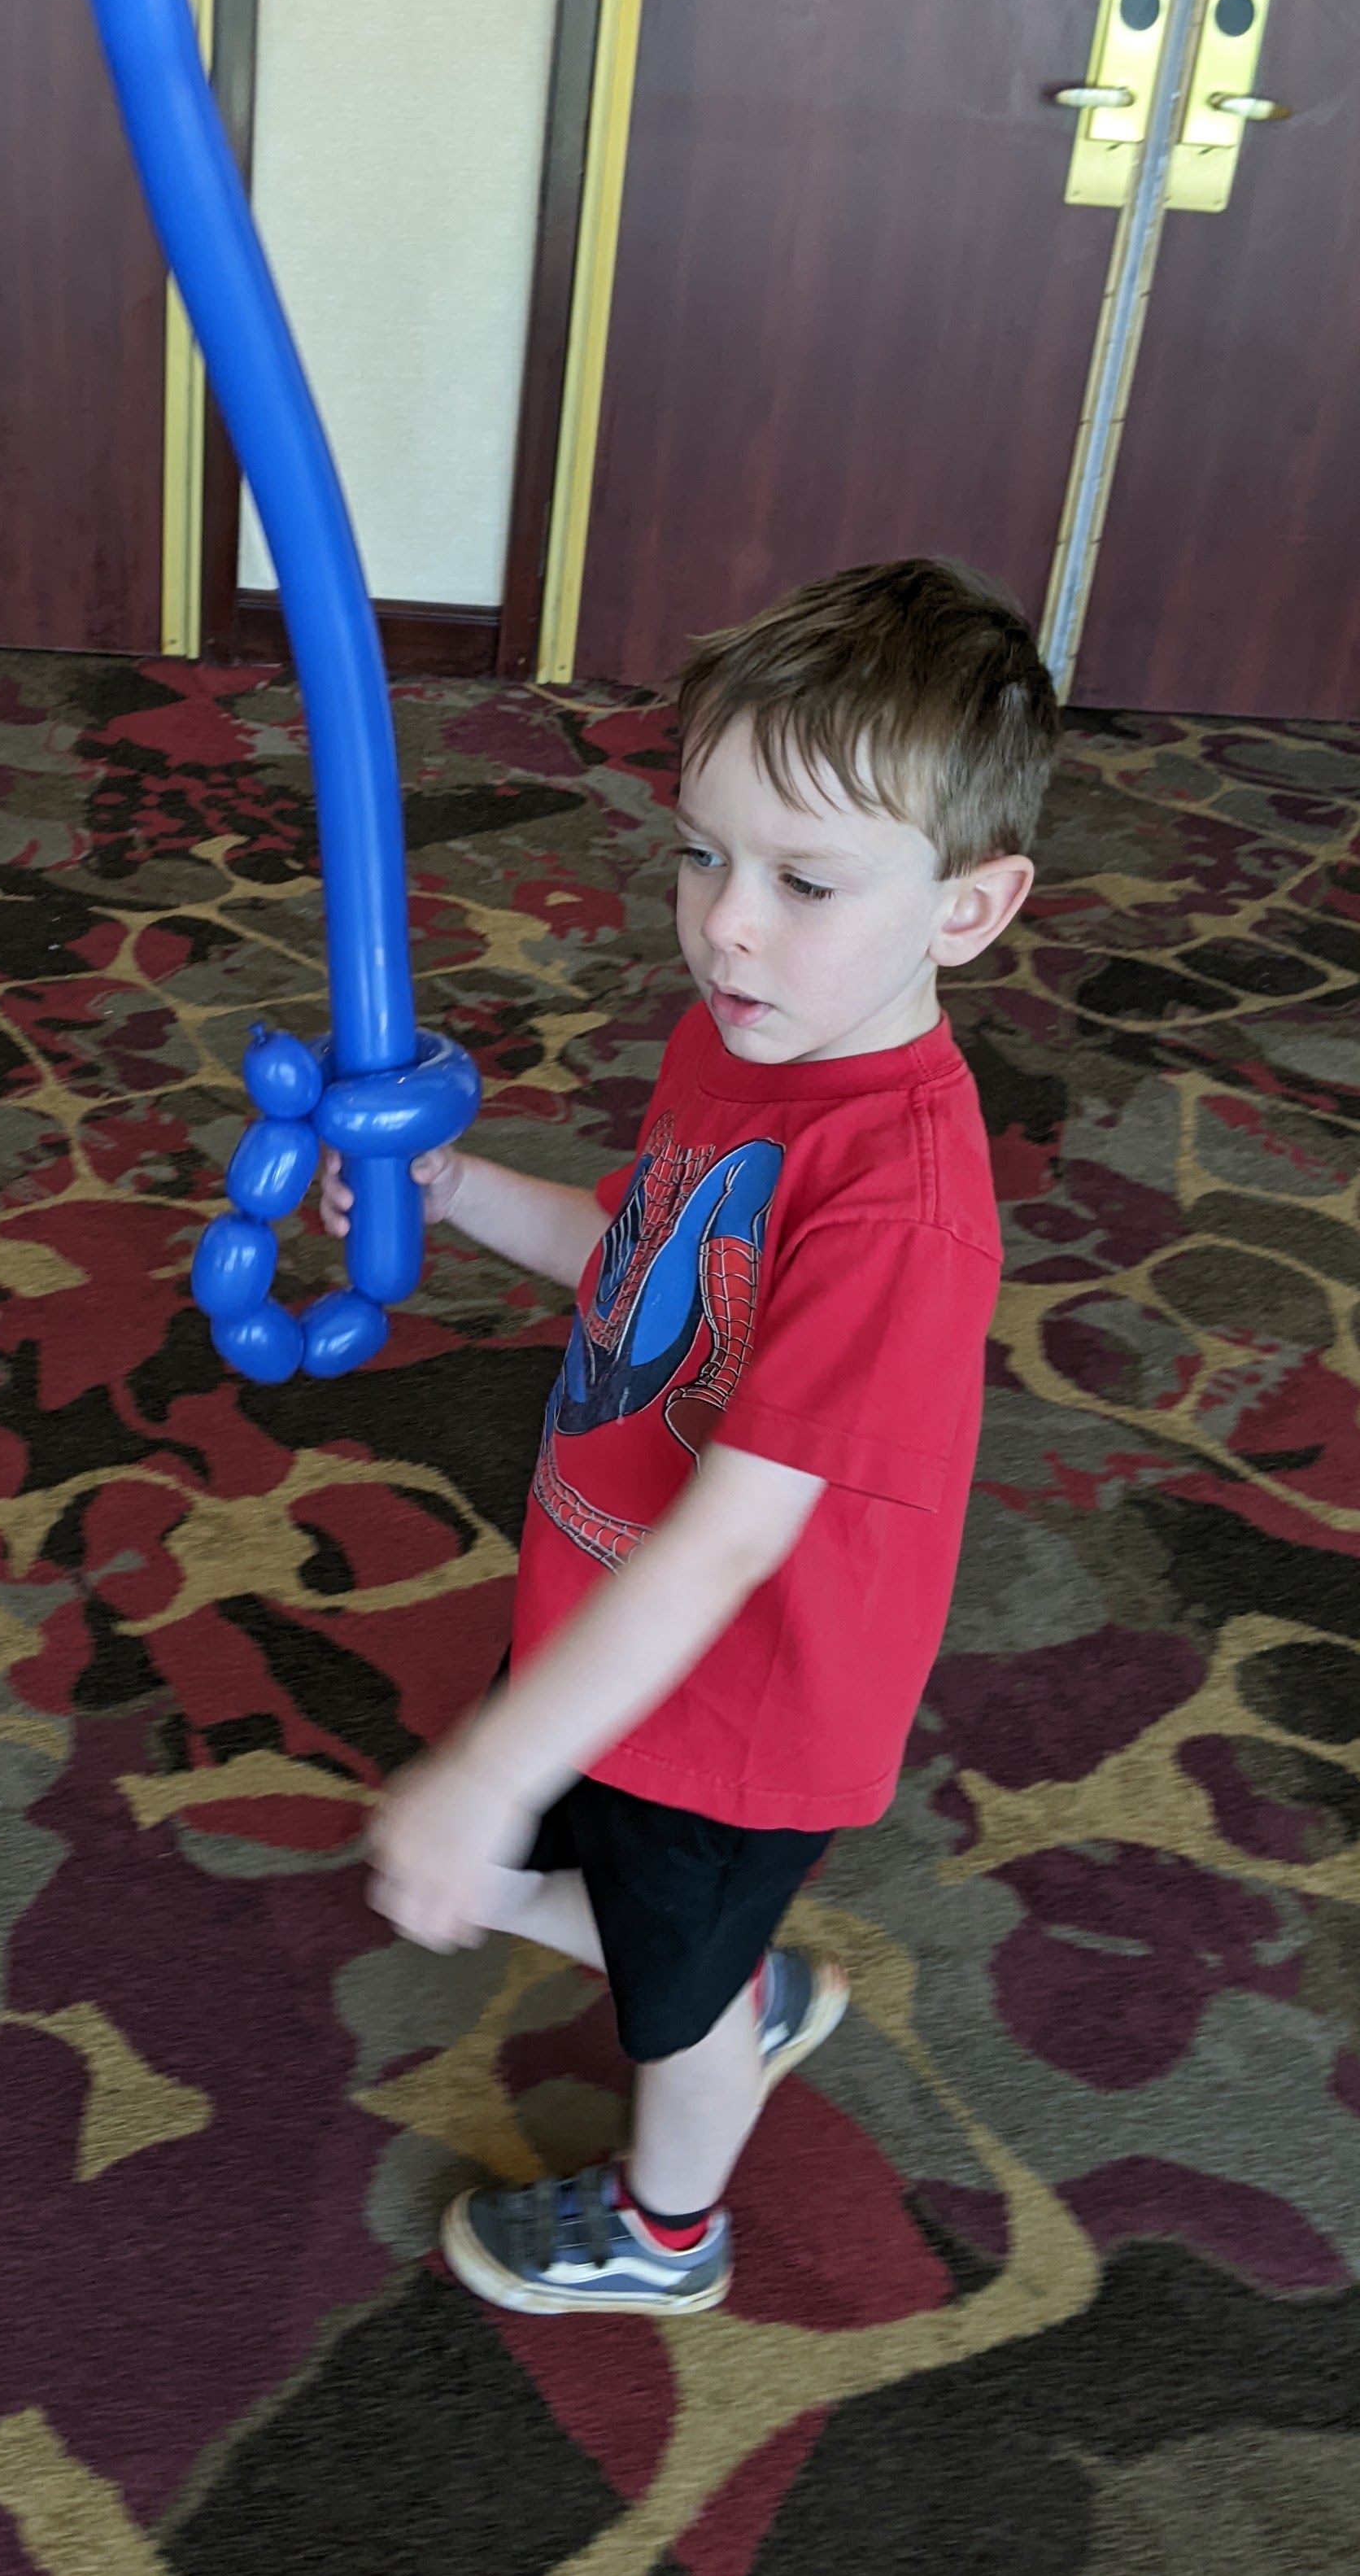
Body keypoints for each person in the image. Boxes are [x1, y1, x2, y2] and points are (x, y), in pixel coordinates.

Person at [320, 558, 1058, 2315]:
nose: (727, 924)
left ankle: (670, 2230)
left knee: (669, 1988)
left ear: (966, 909)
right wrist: (465, 1191)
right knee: (604, 1897)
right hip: (613, 1614)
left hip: (738, 1706)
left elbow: (733, 1539)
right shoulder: (751, 1042)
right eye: (701, 854)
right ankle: (727, 1971)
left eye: (804, 881)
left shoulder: (897, 1211)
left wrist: (494, 1769)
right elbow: (644, 1267)